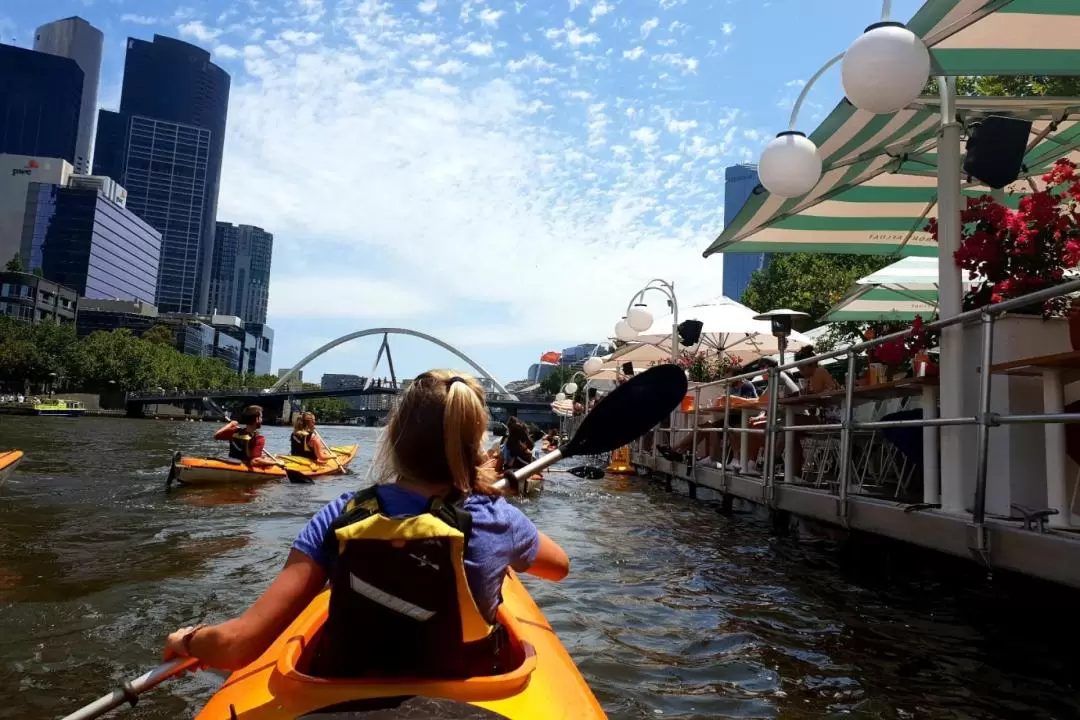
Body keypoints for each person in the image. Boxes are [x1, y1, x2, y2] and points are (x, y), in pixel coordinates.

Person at [164, 370, 570, 675]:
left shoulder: (342, 513)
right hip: (470, 690)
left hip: (342, 691)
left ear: (394, 436)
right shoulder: (497, 517)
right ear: (474, 444)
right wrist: (503, 538)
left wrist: (189, 639)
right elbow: (559, 568)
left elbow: (238, 646)